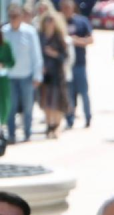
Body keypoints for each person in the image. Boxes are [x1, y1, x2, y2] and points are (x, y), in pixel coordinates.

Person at [2, 3, 42, 144]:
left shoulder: (29, 32)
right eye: (11, 17)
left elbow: (36, 55)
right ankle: (11, 134)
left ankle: (27, 133)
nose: (14, 19)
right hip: (9, 77)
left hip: (26, 76)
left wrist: (37, 75)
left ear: (21, 17)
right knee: (10, 107)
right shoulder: (4, 32)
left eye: (16, 16)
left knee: (28, 106)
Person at [36, 8, 68, 139]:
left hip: (57, 73)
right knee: (45, 101)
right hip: (44, 74)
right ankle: (49, 125)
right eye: (47, 21)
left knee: (57, 102)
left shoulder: (59, 37)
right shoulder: (40, 37)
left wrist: (54, 54)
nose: (49, 23)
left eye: (51, 21)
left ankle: (56, 126)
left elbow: (65, 56)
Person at [61, 0, 91, 129]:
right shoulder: (59, 22)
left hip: (79, 63)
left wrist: (76, 41)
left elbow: (91, 39)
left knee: (83, 92)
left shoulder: (82, 21)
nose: (67, 10)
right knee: (68, 93)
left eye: (68, 7)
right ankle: (69, 118)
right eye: (64, 7)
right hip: (65, 65)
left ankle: (88, 117)